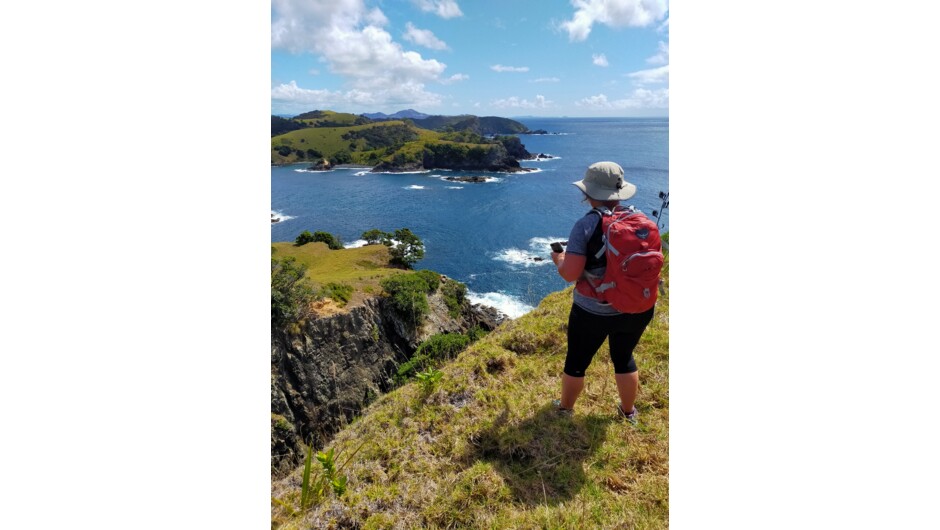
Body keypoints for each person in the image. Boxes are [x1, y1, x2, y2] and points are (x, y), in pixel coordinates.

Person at [550, 161, 656, 424]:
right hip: (637, 307)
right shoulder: (641, 221)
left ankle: (565, 409)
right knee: (624, 357)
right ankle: (628, 412)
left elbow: (570, 274)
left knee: (576, 361)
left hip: (593, 311)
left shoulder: (586, 226)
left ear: (588, 193)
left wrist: (558, 259)